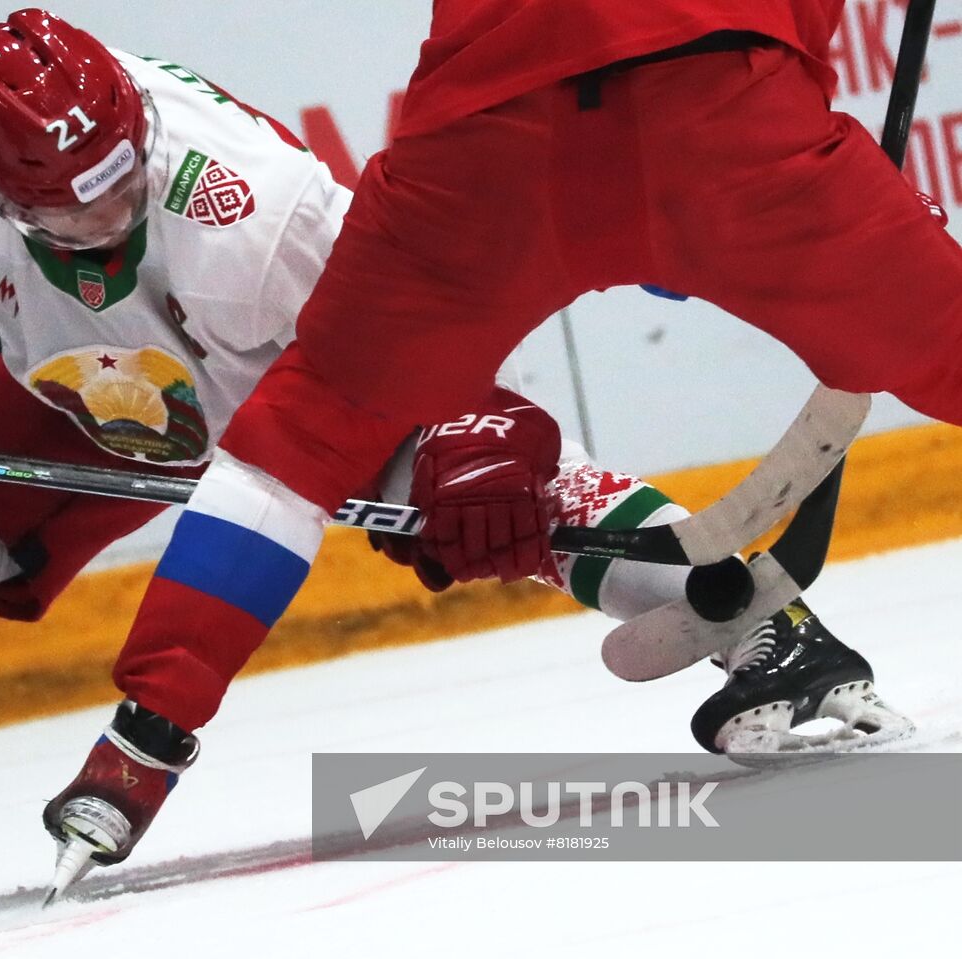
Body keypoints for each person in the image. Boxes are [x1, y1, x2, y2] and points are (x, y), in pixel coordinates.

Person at [0, 8, 910, 949]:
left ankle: (772, 634)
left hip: (287, 368)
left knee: (490, 499)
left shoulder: (248, 200)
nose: (105, 211)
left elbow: (410, 337)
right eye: (67, 205)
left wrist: (466, 435)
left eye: (119, 180)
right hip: (72, 391)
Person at [47, 0, 962, 894]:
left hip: (486, 142)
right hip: (725, 105)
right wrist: (813, 181)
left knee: (297, 437)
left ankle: (142, 743)